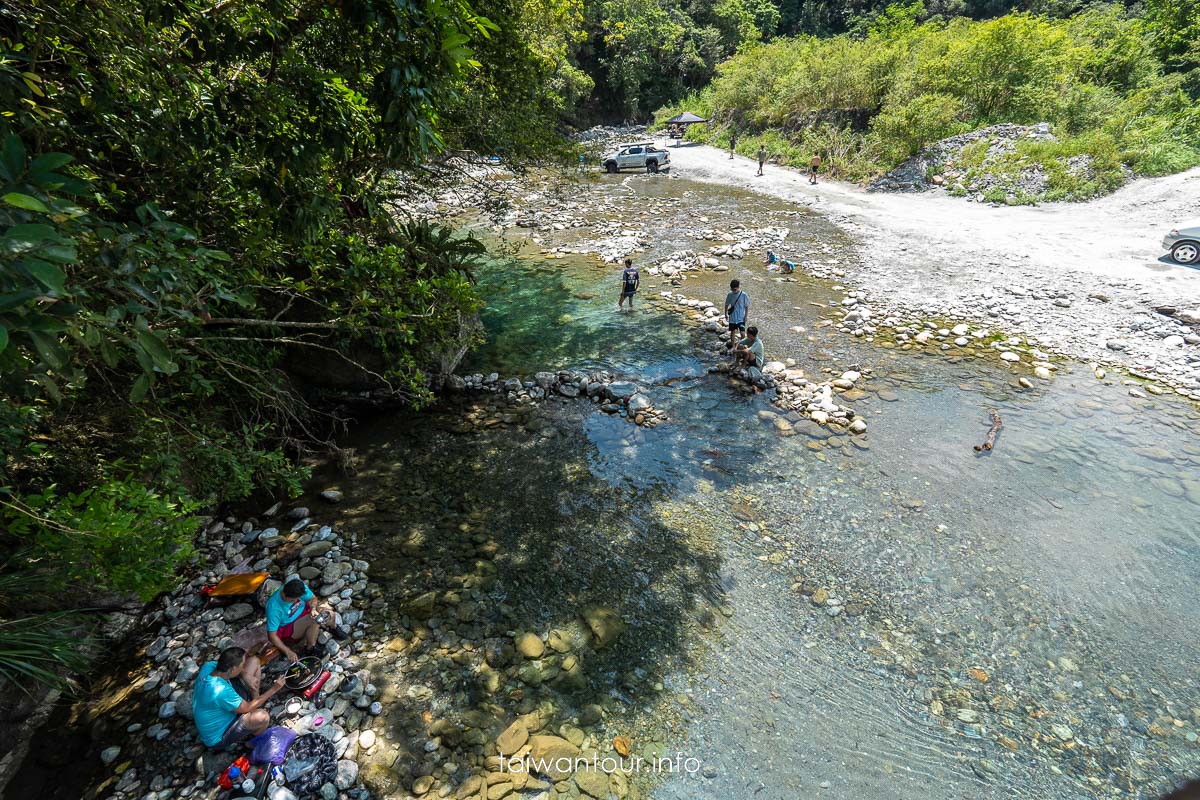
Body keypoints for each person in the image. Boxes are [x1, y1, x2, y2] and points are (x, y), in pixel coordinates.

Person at [192, 646, 286, 749]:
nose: (243, 668)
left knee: (254, 661)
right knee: (263, 717)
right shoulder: (220, 690)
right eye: (242, 666)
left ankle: (256, 698)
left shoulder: (209, 666)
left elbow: (242, 669)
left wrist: (246, 676)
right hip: (219, 736)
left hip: (223, 705)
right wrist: (274, 689)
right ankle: (254, 741)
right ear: (232, 669)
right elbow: (247, 708)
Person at [266, 578, 320, 663]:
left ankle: (333, 628)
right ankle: (310, 648)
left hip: (305, 613)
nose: (296, 601)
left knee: (328, 614)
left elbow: (313, 598)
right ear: (285, 594)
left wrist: (313, 609)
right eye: (293, 600)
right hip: (289, 627)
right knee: (313, 620)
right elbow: (272, 636)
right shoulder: (273, 607)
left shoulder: (298, 586)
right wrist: (287, 651)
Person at [724, 280, 750, 344]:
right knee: (732, 332)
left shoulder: (744, 295)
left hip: (741, 317)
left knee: (742, 333)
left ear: (738, 287)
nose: (734, 291)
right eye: (732, 289)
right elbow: (726, 304)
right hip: (732, 317)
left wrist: (746, 316)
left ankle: (742, 346)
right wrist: (725, 314)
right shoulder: (730, 294)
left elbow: (746, 306)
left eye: (735, 289)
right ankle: (733, 347)